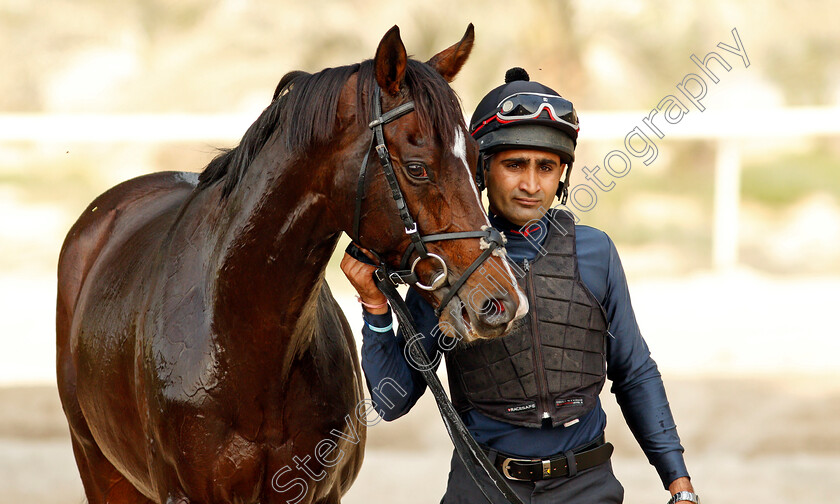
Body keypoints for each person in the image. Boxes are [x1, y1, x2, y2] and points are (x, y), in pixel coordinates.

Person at [340, 67, 698, 504]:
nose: (531, 184)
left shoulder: (596, 254)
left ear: (562, 174)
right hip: (482, 487)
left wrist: (678, 482)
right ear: (482, 169)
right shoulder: (445, 264)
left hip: (585, 487)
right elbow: (393, 399)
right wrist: (375, 306)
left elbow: (634, 371)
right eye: (515, 165)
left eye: (546, 167)